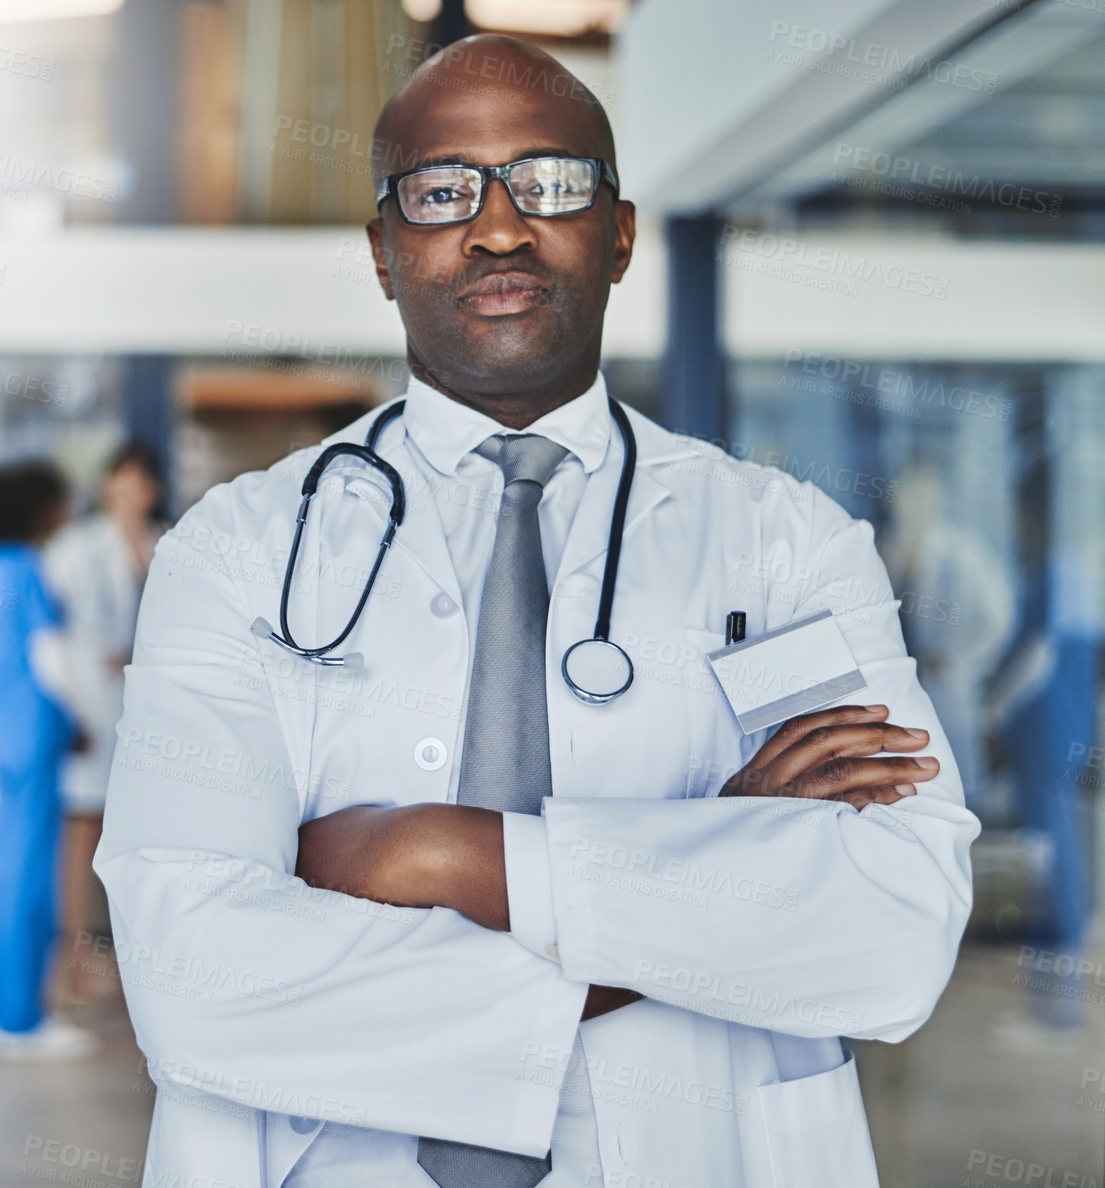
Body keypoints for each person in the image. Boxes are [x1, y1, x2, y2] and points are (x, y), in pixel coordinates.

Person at [95, 35, 979, 1188]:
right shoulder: (237, 550)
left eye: (551, 181)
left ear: (618, 233)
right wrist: (705, 861)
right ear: (382, 249)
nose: (499, 225)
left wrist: (434, 855)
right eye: (441, 189)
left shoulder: (785, 544)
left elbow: (892, 933)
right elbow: (193, 979)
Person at [0, 459, 97, 1060]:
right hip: (36, 737)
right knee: (29, 876)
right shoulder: (27, 573)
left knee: (6, 871)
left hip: (5, 739)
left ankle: (0, 1008)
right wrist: (82, 719)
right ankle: (22, 1019)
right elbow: (50, 659)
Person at [42, 441, 167, 1006]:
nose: (127, 495)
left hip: (149, 718)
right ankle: (74, 964)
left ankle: (140, 967)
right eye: (118, 483)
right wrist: (73, 704)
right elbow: (54, 637)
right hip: (92, 711)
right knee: (83, 835)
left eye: (137, 484)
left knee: (144, 841)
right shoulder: (76, 548)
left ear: (152, 491)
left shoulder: (167, 544)